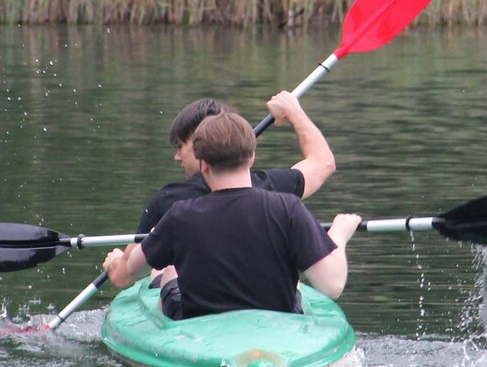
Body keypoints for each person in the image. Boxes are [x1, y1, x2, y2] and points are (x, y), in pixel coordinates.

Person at [103, 111, 362, 319]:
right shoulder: (288, 208)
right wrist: (339, 235)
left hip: (197, 326)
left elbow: (133, 268)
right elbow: (333, 286)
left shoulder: (179, 215)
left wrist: (140, 248)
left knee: (167, 269)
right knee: (293, 281)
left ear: (203, 164)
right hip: (277, 325)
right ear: (251, 157)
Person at [136, 91, 335, 235]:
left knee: (156, 268)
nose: (177, 157)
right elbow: (323, 162)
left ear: (199, 145)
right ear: (251, 157)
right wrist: (294, 112)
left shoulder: (169, 200)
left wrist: (123, 260)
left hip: (184, 280)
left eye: (180, 146)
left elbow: (126, 271)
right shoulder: (269, 190)